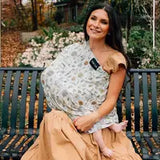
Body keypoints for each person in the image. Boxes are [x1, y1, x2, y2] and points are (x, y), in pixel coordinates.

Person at [21, 3, 142, 160]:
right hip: (67, 121)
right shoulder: (73, 50)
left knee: (56, 124)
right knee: (54, 119)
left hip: (95, 125)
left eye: (103, 22)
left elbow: (111, 99)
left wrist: (90, 118)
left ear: (110, 28)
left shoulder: (115, 59)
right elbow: (51, 77)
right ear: (87, 21)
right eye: (93, 19)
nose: (96, 25)